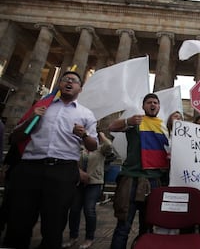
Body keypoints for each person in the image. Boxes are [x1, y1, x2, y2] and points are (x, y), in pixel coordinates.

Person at [3, 71, 98, 249]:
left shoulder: (86, 114)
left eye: (74, 81)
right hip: (30, 167)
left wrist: (84, 134)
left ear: (80, 88)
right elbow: (15, 137)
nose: (69, 82)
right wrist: (33, 117)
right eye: (65, 79)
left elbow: (93, 146)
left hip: (62, 171)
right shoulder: (41, 106)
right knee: (18, 221)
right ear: (59, 85)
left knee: (54, 223)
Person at [109, 93, 169, 249]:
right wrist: (128, 121)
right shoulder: (135, 121)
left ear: (159, 106)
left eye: (156, 102)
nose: (153, 105)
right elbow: (111, 127)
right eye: (149, 102)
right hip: (131, 179)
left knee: (148, 226)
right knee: (123, 225)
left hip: (154, 180)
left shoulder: (163, 126)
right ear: (143, 106)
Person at [62, 132, 113, 249]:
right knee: (74, 210)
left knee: (89, 210)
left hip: (94, 183)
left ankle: (89, 238)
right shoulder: (78, 148)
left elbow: (109, 145)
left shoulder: (101, 149)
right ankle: (72, 237)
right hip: (78, 183)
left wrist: (102, 136)